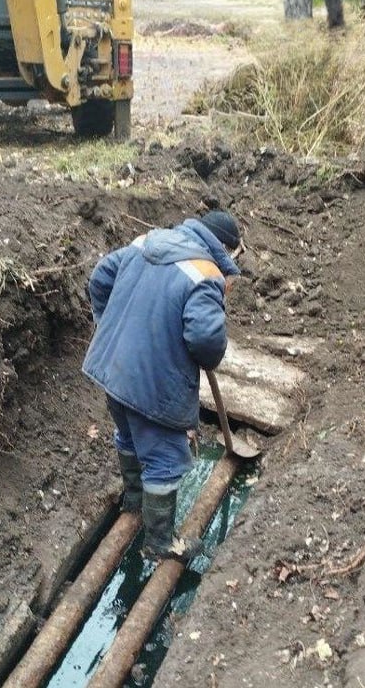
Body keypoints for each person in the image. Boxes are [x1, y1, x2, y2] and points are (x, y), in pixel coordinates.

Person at [82, 210, 241, 562]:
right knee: (165, 458)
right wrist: (207, 354)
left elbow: (100, 278)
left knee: (128, 435)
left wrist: (111, 326)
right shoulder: (206, 274)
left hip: (113, 368)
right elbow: (204, 338)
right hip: (153, 385)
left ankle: (134, 501)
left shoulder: (147, 242)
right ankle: (158, 543)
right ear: (226, 249)